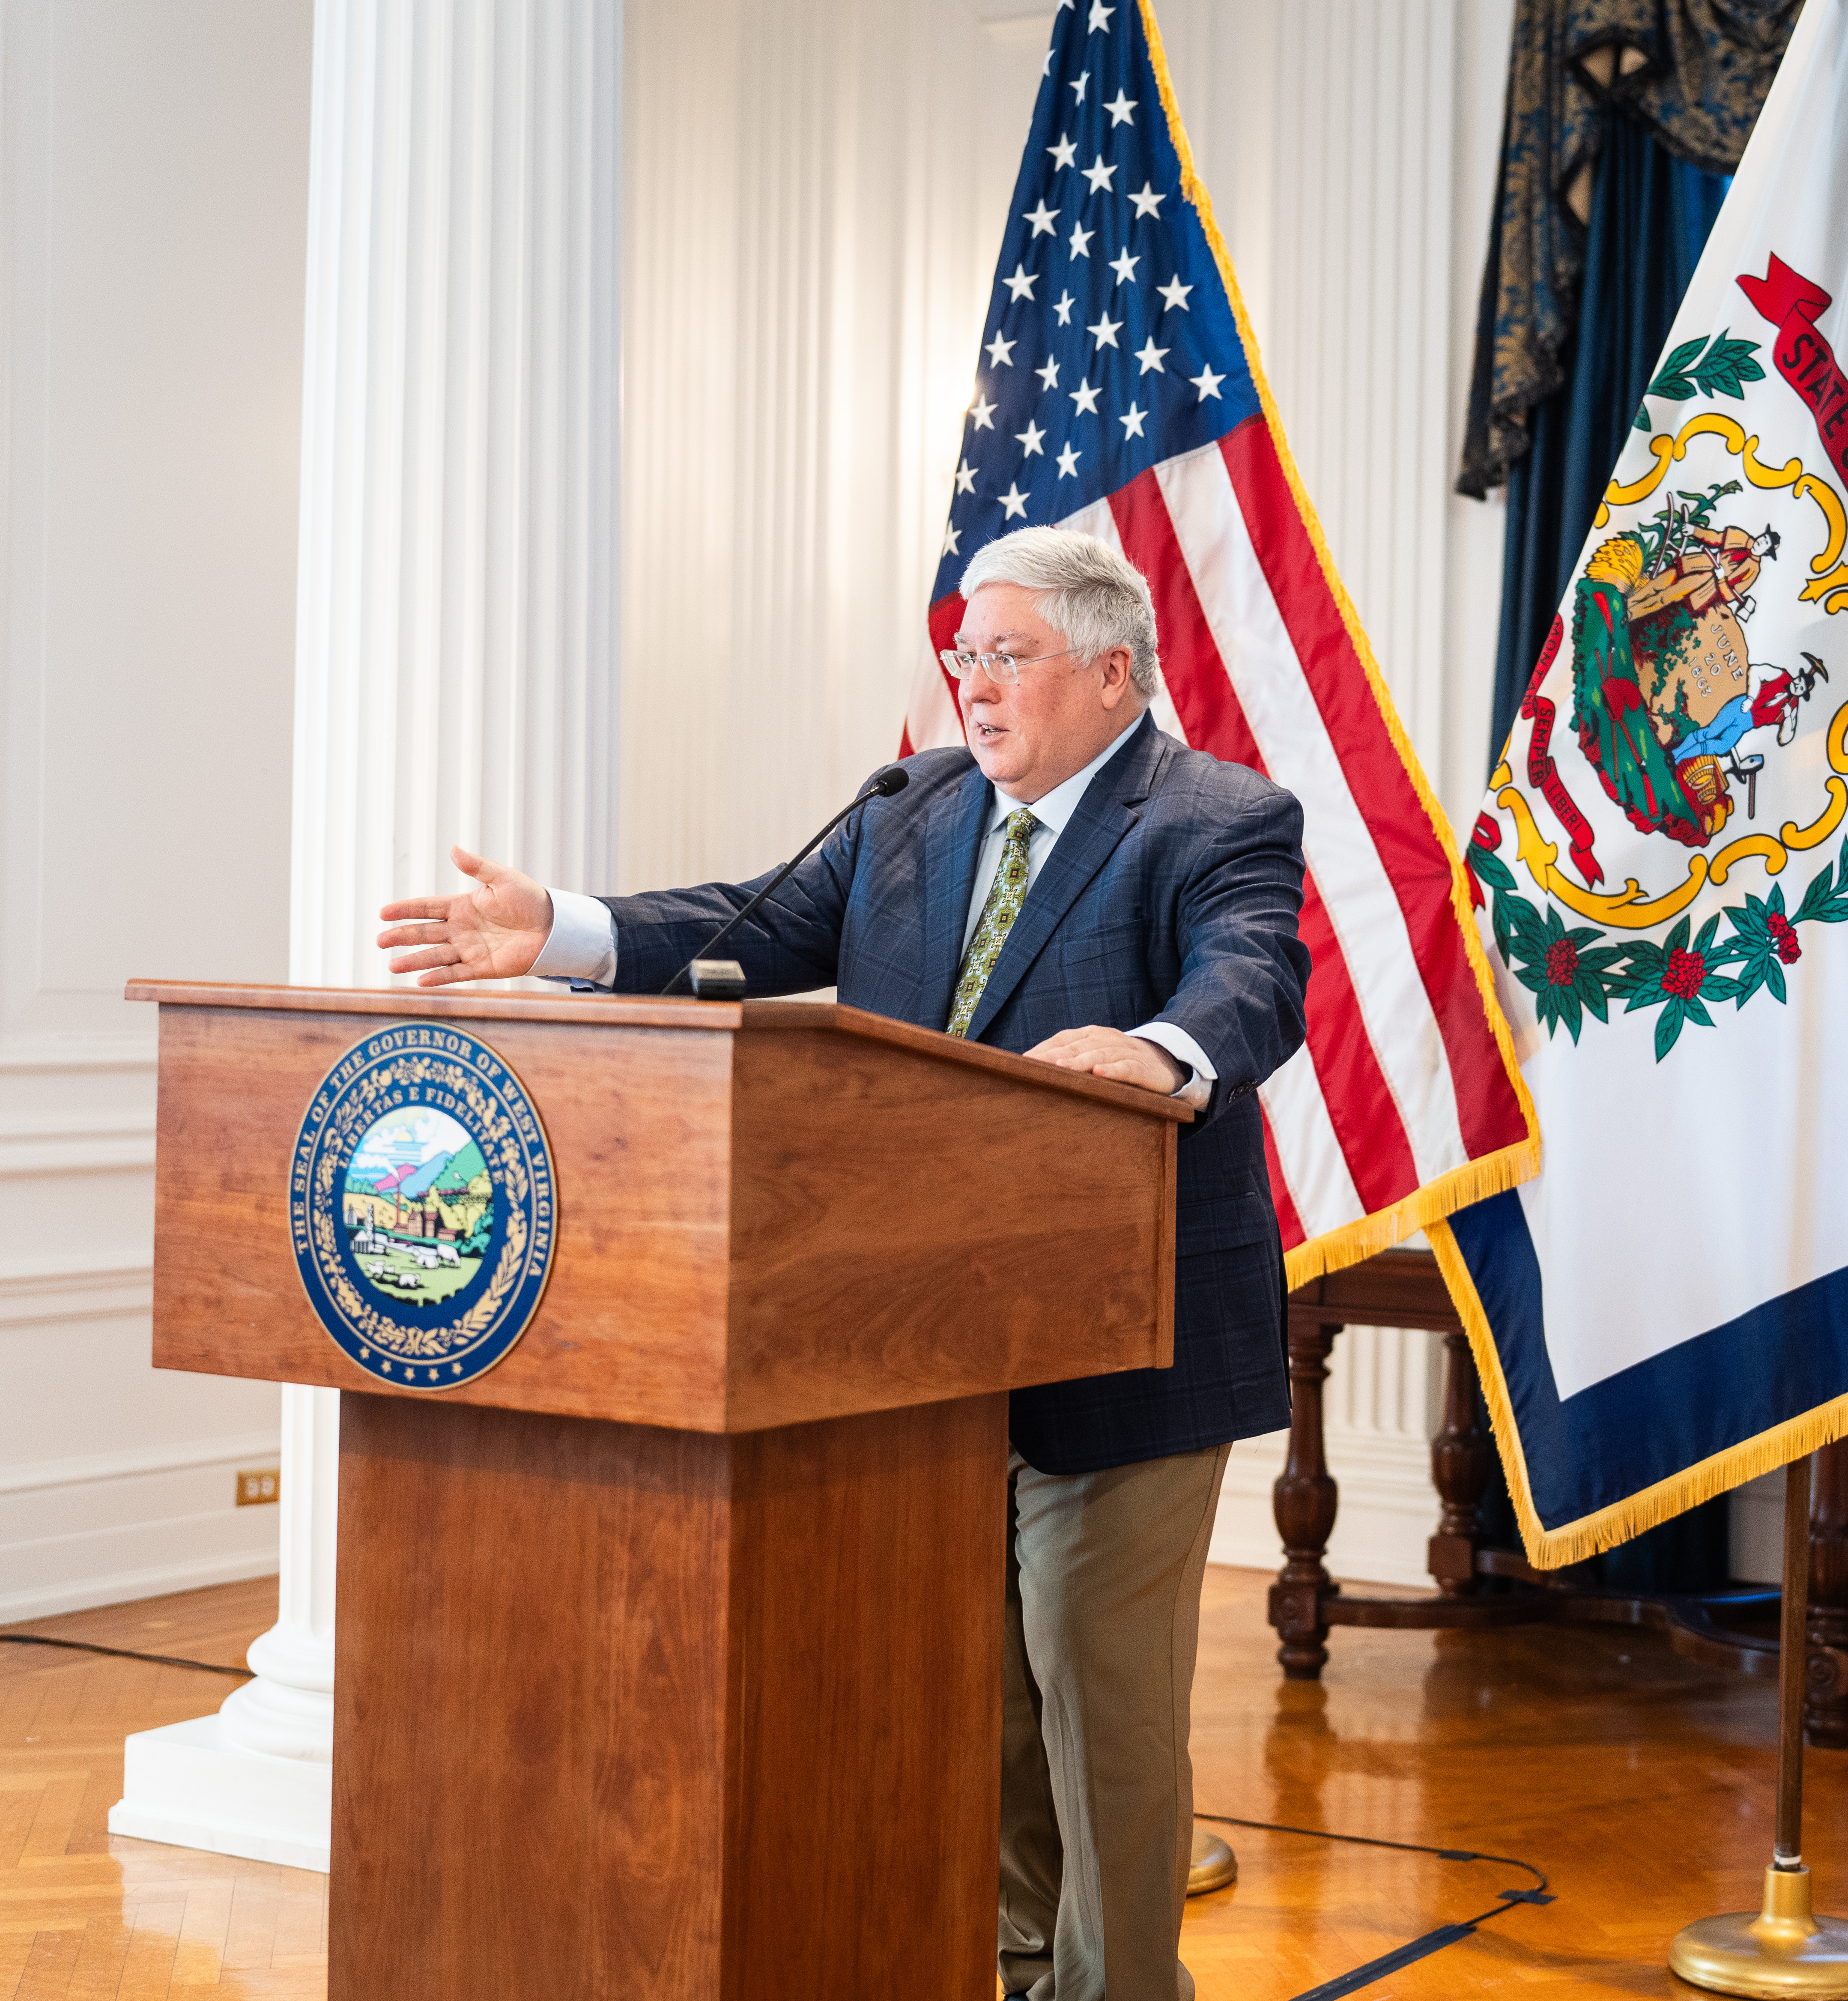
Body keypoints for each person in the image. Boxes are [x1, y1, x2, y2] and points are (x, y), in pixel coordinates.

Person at [378, 526, 1310, 2001]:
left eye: (1008, 657)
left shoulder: (1215, 815)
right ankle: (1016, 1968)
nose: (974, 689)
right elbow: (747, 930)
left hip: (1130, 1334)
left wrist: (1156, 1046)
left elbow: (1253, 976)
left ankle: (1124, 1991)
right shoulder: (913, 805)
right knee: (989, 1702)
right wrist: (557, 929)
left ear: (1113, 670)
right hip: (921, 1341)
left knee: (1098, 1696)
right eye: (963, 660)